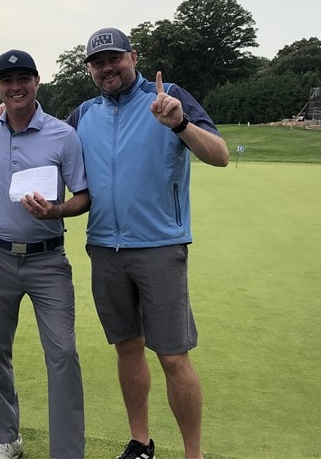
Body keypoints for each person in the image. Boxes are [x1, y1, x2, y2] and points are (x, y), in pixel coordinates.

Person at [65, 28, 230, 459]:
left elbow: (219, 154)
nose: (107, 68)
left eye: (114, 58)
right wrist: (1, 115)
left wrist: (179, 123)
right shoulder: (83, 113)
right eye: (97, 62)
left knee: (173, 357)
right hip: (104, 246)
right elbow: (45, 141)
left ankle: (193, 454)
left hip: (159, 246)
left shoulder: (169, 96)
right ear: (90, 70)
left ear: (133, 57)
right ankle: (140, 442)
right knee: (127, 348)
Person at [0, 49, 90, 459]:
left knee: (63, 353)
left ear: (37, 81)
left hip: (47, 260)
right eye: (7, 80)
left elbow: (84, 196)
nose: (15, 86)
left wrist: (56, 210)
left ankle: (68, 452)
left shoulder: (63, 135)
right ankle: (7, 439)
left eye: (23, 78)